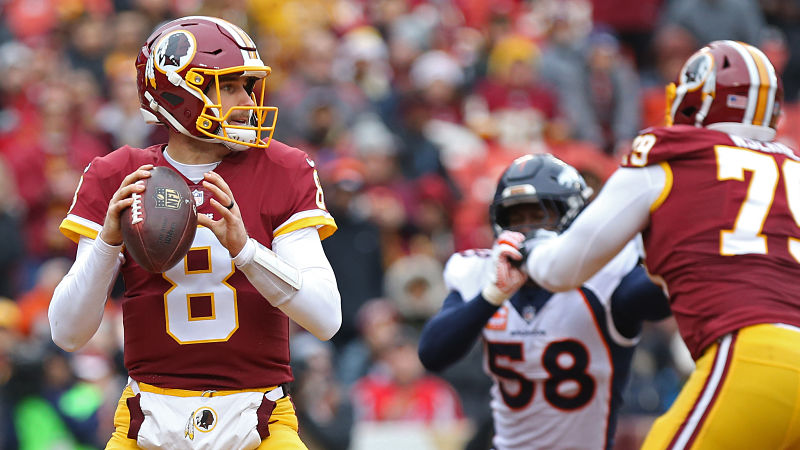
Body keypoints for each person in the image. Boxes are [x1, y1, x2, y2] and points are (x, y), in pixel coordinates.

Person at [48, 16, 341, 449]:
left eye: (246, 85)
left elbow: (326, 318)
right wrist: (108, 244)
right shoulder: (119, 175)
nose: (247, 100)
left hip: (256, 418)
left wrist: (247, 252)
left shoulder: (283, 168)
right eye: (230, 86)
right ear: (178, 92)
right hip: (148, 420)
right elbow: (67, 333)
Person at [525, 40, 800, 449]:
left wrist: (531, 248)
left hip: (752, 356)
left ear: (696, 96)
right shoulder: (792, 167)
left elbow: (562, 269)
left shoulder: (670, 157)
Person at [417, 153, 670, 450]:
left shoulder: (607, 277)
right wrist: (492, 296)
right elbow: (432, 353)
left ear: (574, 217)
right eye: (515, 217)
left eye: (539, 215)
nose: (526, 229)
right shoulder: (480, 273)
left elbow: (665, 294)